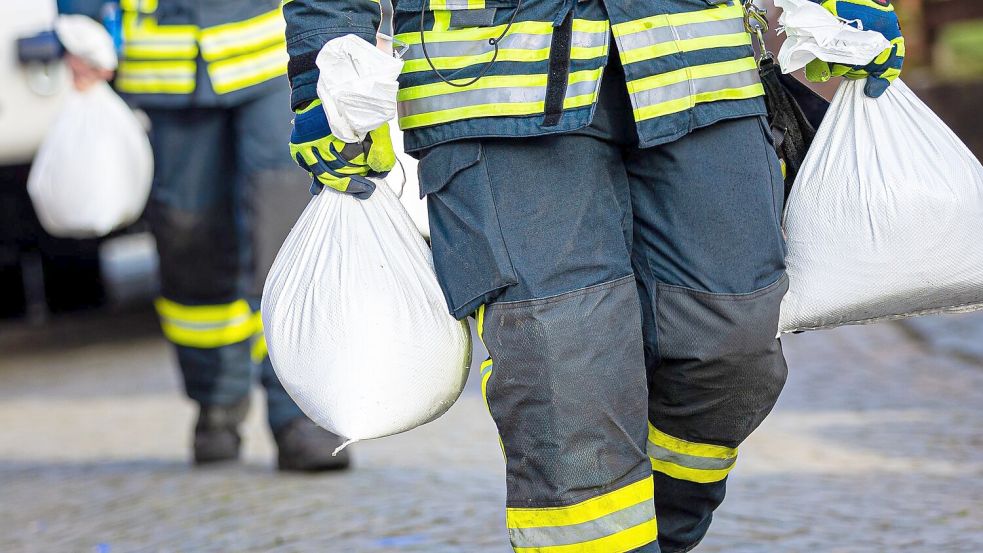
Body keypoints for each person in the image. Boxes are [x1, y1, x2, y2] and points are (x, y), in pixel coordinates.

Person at [284, 0, 902, 549]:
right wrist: (324, 72)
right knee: (565, 367)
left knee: (730, 349)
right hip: (492, 91)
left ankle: (664, 534)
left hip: (699, 67)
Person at [61, 0, 351, 472]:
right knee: (189, 246)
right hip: (166, 73)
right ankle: (215, 403)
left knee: (284, 235)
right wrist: (82, 27)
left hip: (266, 57)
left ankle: (302, 413)